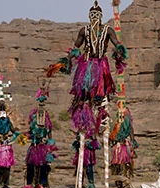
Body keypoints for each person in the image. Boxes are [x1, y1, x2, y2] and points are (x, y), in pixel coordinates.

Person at [45, 0, 128, 133]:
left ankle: (101, 118)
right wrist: (66, 60)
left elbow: (116, 43)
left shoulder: (108, 30)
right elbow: (76, 47)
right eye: (92, 15)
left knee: (101, 92)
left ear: (101, 16)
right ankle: (83, 119)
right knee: (83, 93)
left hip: (101, 65)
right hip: (86, 64)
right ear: (89, 16)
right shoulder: (84, 31)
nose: (94, 18)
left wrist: (119, 51)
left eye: (97, 15)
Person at [23, 79, 58, 188]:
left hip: (42, 147)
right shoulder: (34, 122)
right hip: (34, 146)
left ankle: (41, 184)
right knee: (31, 165)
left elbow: (50, 134)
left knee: (43, 166)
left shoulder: (47, 123)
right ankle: (29, 183)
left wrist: (50, 146)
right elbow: (30, 131)